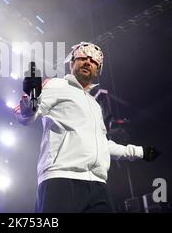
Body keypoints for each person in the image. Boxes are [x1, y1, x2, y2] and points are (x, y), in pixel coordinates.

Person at [14, 42, 160, 213]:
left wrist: (140, 152)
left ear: (97, 70)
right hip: (62, 179)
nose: (87, 62)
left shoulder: (94, 105)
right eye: (82, 58)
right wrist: (31, 103)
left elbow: (102, 144)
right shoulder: (56, 85)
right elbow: (26, 116)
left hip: (98, 186)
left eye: (93, 61)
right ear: (72, 63)